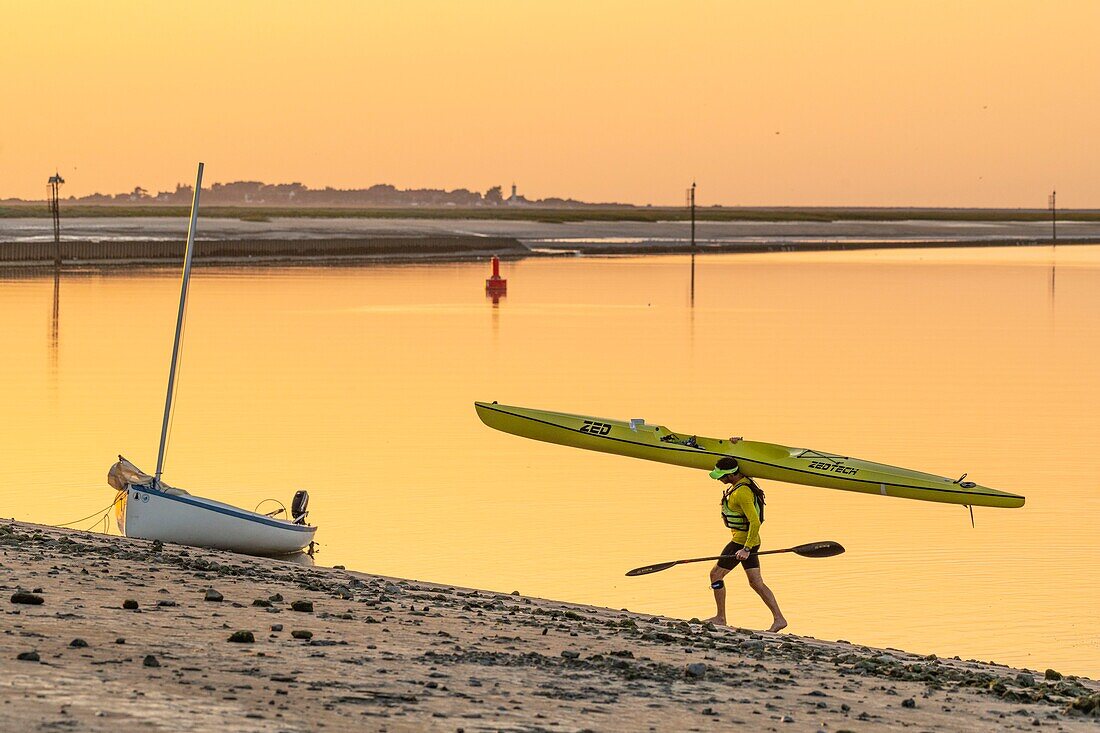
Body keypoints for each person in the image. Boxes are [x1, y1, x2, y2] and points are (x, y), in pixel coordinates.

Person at [704, 455, 787, 632]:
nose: (719, 479)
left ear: (732, 475)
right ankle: (779, 619)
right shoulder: (743, 482)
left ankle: (720, 617)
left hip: (742, 542)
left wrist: (746, 549)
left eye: (721, 476)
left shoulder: (742, 492)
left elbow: (755, 522)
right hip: (749, 541)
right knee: (756, 582)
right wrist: (735, 443)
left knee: (715, 575)